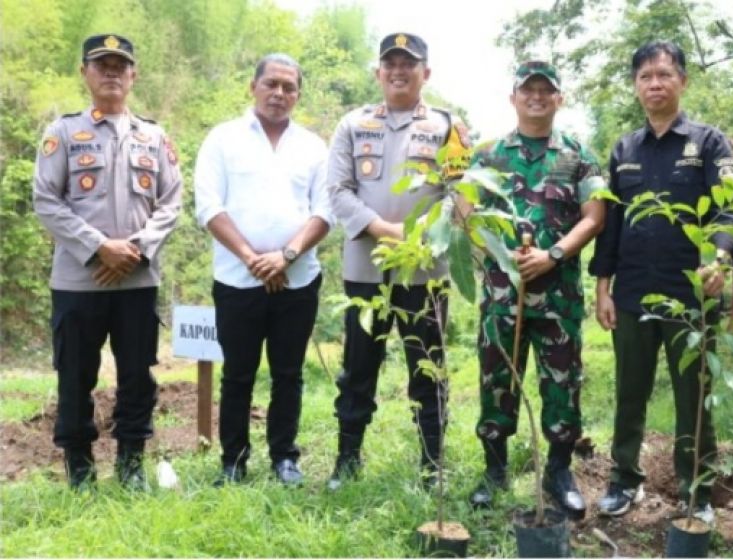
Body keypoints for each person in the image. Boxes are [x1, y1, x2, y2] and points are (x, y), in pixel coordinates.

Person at [589, 40, 733, 520]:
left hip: (691, 297)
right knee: (629, 392)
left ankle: (696, 491)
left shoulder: (708, 144)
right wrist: (602, 287)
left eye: (664, 74)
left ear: (682, 81)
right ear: (636, 86)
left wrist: (720, 258)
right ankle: (624, 480)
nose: (655, 84)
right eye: (645, 77)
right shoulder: (624, 149)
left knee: (693, 397)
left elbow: (731, 208)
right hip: (632, 294)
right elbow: (611, 224)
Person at [33, 34, 182, 490]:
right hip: (79, 281)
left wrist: (135, 248)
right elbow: (46, 200)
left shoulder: (154, 136)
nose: (112, 72)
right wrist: (100, 247)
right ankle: (80, 468)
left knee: (137, 375)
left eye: (121, 65)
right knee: (75, 376)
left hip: (137, 280)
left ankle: (131, 464)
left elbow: (171, 202)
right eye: (102, 64)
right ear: (85, 72)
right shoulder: (62, 134)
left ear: (134, 75)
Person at [327, 33, 469, 492]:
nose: (399, 71)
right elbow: (338, 191)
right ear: (378, 72)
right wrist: (386, 230)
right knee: (358, 368)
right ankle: (347, 460)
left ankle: (432, 466)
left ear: (426, 73)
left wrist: (424, 232)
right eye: (390, 63)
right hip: (366, 270)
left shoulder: (449, 126)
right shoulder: (353, 124)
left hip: (425, 271)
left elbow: (460, 194)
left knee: (428, 367)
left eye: (409, 63)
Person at [464, 61, 606, 520]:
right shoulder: (488, 156)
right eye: (529, 90)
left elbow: (594, 217)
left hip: (559, 298)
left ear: (559, 98)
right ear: (514, 98)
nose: (537, 97)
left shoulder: (578, 155)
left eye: (547, 90)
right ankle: (494, 471)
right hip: (502, 297)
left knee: (564, 386)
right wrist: (500, 255)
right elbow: (465, 213)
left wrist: (554, 255)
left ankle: (559, 473)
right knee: (497, 381)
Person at [194, 53, 331, 486]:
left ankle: (284, 458)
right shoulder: (222, 139)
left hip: (297, 279)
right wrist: (252, 258)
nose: (279, 93)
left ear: (298, 95)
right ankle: (233, 461)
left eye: (289, 87)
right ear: (253, 86)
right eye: (271, 84)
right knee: (237, 374)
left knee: (288, 374)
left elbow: (325, 211)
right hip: (238, 280)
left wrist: (286, 256)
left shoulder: (313, 146)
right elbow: (208, 206)